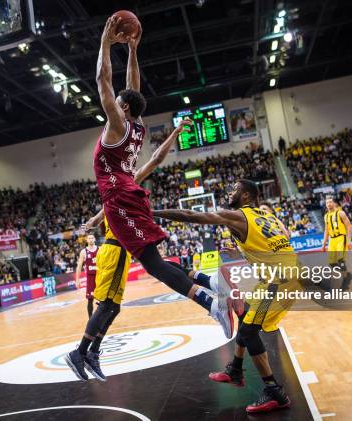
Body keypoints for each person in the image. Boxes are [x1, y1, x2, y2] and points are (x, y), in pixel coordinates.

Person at [91, 15, 233, 339]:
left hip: (120, 199)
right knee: (155, 261)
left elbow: (103, 78)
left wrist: (104, 40)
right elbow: (132, 87)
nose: (115, 99)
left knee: (153, 266)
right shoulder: (137, 125)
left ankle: (212, 305)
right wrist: (132, 50)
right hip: (131, 193)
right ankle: (211, 287)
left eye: (119, 101)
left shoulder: (116, 125)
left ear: (123, 108)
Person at [65, 113, 196, 382]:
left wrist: (174, 133)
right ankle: (79, 352)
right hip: (113, 249)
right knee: (106, 306)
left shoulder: (128, 180)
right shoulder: (116, 186)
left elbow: (157, 158)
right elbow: (102, 211)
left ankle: (93, 352)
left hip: (124, 252)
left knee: (114, 308)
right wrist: (93, 221)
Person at [153, 179, 300, 414]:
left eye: (235, 189)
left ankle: (274, 392)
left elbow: (190, 215)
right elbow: (282, 238)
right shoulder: (267, 216)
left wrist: (152, 211)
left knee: (249, 331)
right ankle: (236, 369)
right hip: (280, 277)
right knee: (243, 316)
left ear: (246, 196)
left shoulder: (238, 216)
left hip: (279, 282)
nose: (230, 192)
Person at [321, 196, 352, 290]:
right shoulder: (326, 216)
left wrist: (348, 241)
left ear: (334, 203)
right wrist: (324, 244)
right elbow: (326, 231)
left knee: (341, 261)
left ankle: (345, 282)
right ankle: (346, 275)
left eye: (330, 202)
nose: (329, 204)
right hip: (332, 240)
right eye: (327, 203)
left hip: (341, 238)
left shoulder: (340, 213)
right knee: (332, 263)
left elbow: (349, 226)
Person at [75, 234, 99, 317]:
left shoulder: (101, 249)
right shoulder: (83, 252)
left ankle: (102, 317)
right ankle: (90, 320)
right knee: (90, 299)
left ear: (95, 239)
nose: (91, 239)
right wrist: (77, 280)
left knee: (103, 298)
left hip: (100, 276)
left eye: (92, 238)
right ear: (87, 240)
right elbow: (79, 266)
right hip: (90, 277)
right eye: (89, 238)